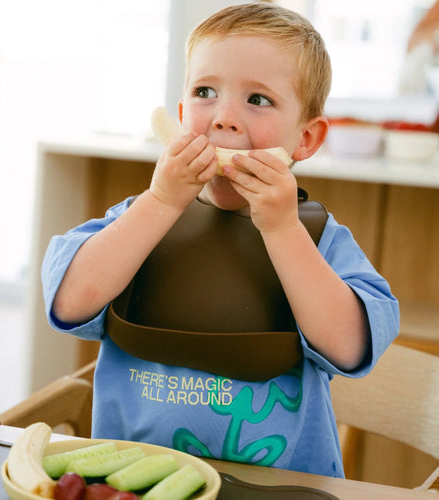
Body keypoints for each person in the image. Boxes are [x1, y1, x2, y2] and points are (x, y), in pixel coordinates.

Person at [41, 3, 399, 478]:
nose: (225, 119)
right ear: (183, 112)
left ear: (306, 138)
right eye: (206, 92)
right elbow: (68, 302)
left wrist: (283, 230)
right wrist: (162, 203)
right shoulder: (137, 219)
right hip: (133, 480)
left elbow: (351, 347)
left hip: (280, 487)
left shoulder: (320, 240)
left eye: (259, 99)